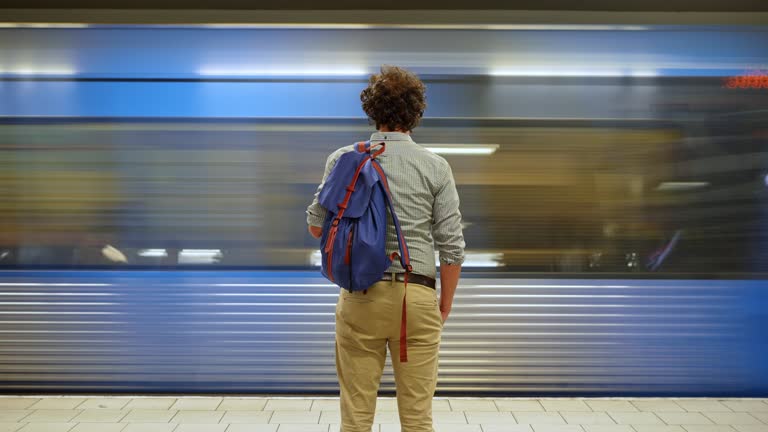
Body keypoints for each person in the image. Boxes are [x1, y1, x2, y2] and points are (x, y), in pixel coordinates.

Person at [306, 65, 465, 432]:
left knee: (357, 418)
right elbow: (452, 247)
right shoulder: (436, 167)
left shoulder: (344, 159)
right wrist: (443, 304)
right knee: (417, 419)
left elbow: (316, 226)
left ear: (372, 111)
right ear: (416, 113)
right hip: (418, 297)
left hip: (361, 295)